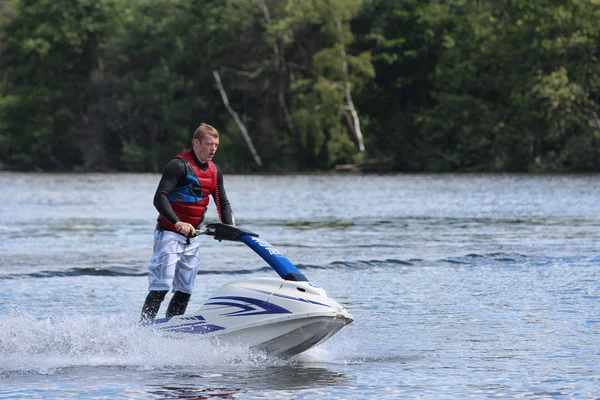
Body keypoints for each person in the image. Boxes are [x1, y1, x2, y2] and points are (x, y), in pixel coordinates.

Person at [140, 123, 235, 323]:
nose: (213, 149)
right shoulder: (178, 165)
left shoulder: (215, 172)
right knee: (161, 287)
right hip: (168, 234)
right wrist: (177, 222)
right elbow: (160, 198)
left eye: (216, 145)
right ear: (196, 143)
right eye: (209, 144)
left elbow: (222, 203)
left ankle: (171, 329)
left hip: (193, 238)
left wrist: (230, 229)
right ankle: (143, 328)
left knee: (185, 290)